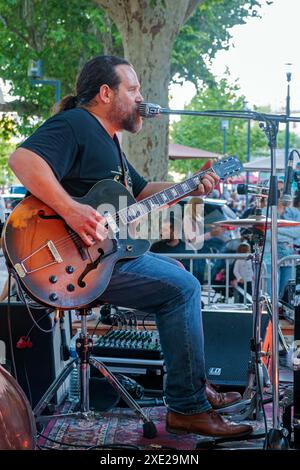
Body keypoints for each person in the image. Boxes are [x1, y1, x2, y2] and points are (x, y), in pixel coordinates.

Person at [9, 55, 252, 438]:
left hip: (98, 258)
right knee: (182, 289)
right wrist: (72, 211)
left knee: (178, 275)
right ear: (106, 93)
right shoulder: (77, 123)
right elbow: (22, 159)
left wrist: (195, 183)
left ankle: (192, 387)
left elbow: (141, 194)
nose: (142, 97)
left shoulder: (110, 145)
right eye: (133, 88)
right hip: (70, 262)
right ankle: (188, 407)